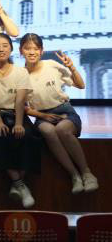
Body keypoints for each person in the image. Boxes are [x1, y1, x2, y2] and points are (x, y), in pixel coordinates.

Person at [21, 33, 98, 193]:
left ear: (41, 51)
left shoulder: (51, 65)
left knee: (62, 129)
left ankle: (87, 173)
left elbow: (80, 85)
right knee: (48, 130)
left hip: (64, 111)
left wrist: (72, 67)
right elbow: (23, 107)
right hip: (42, 116)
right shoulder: (20, 75)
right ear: (21, 51)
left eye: (36, 48)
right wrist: (43, 116)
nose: (32, 52)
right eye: (27, 48)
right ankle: (74, 176)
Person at [0, 32, 41, 208]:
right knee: (0, 134)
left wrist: (20, 123)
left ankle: (16, 183)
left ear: (11, 49)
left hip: (16, 113)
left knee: (29, 135)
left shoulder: (21, 71)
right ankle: (21, 185)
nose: (1, 49)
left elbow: (20, 100)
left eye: (5, 46)